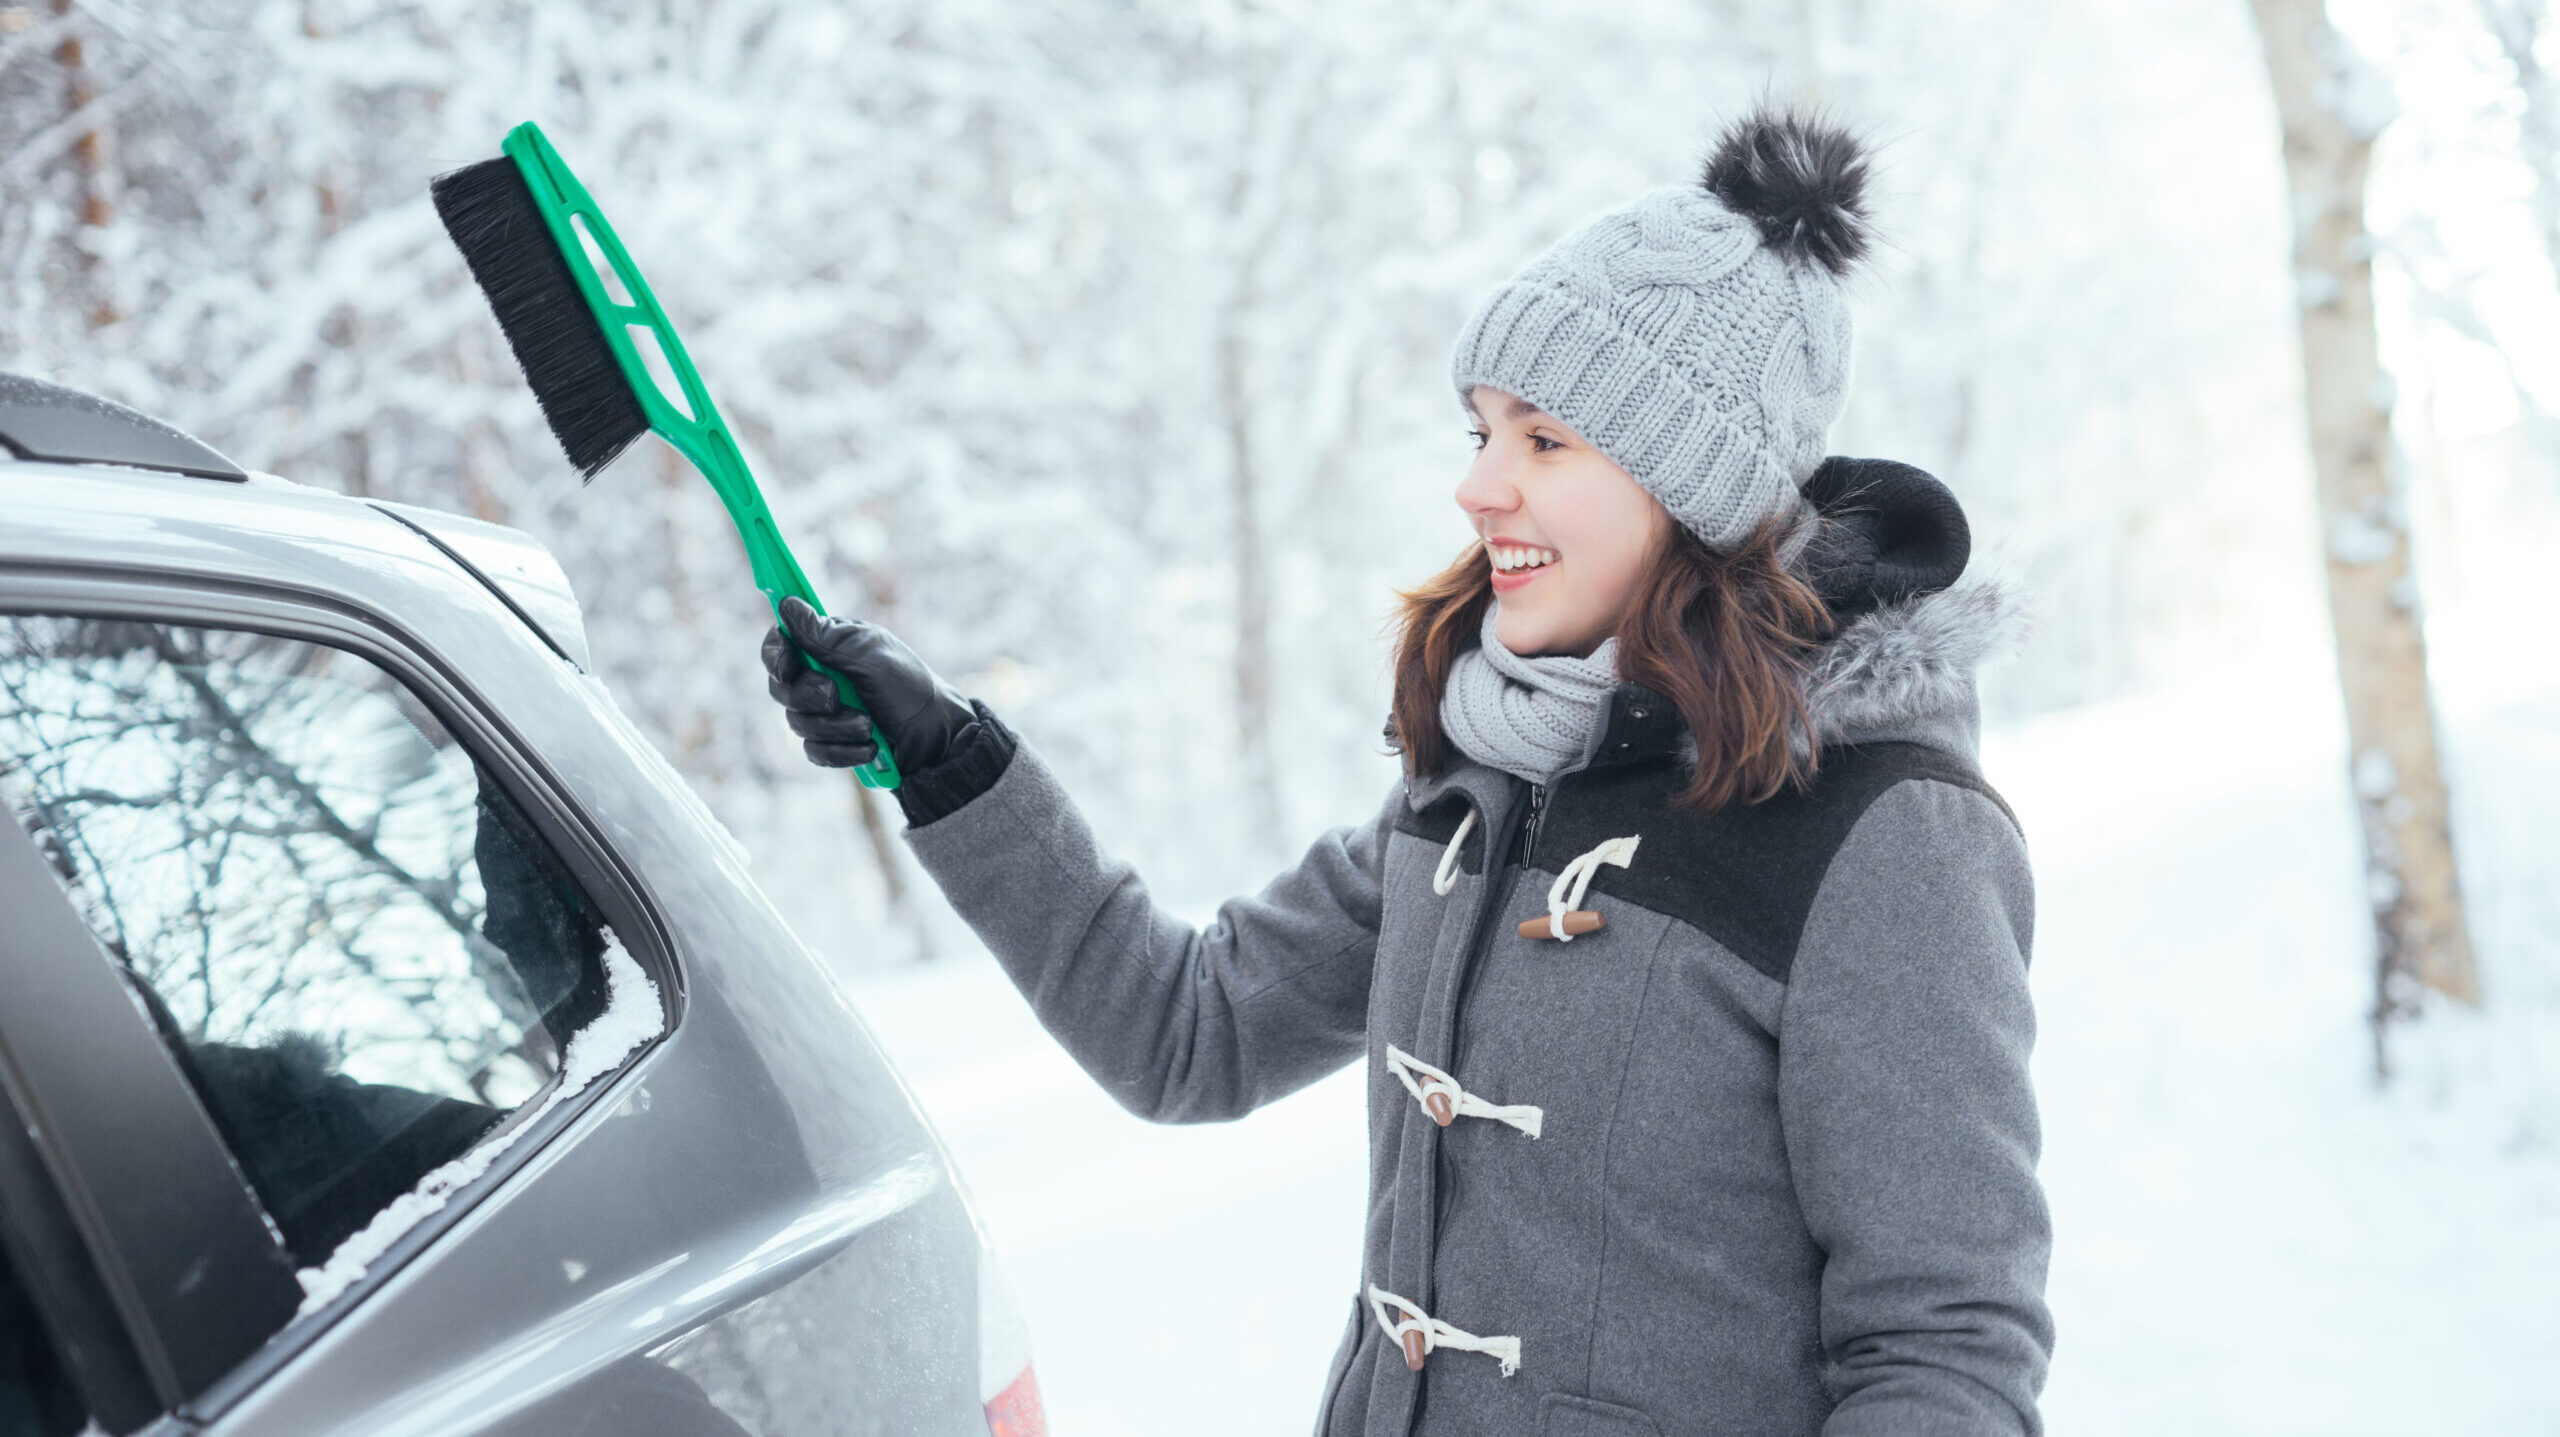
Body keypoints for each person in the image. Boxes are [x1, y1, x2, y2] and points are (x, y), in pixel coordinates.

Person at [763, 104, 2050, 1437]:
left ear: (1698, 490)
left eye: (1545, 441)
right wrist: (954, 764)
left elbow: (1944, 1350)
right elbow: (1190, 1033)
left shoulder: (1881, 829)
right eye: (1481, 431)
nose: (1481, 486)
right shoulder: (1489, 775)